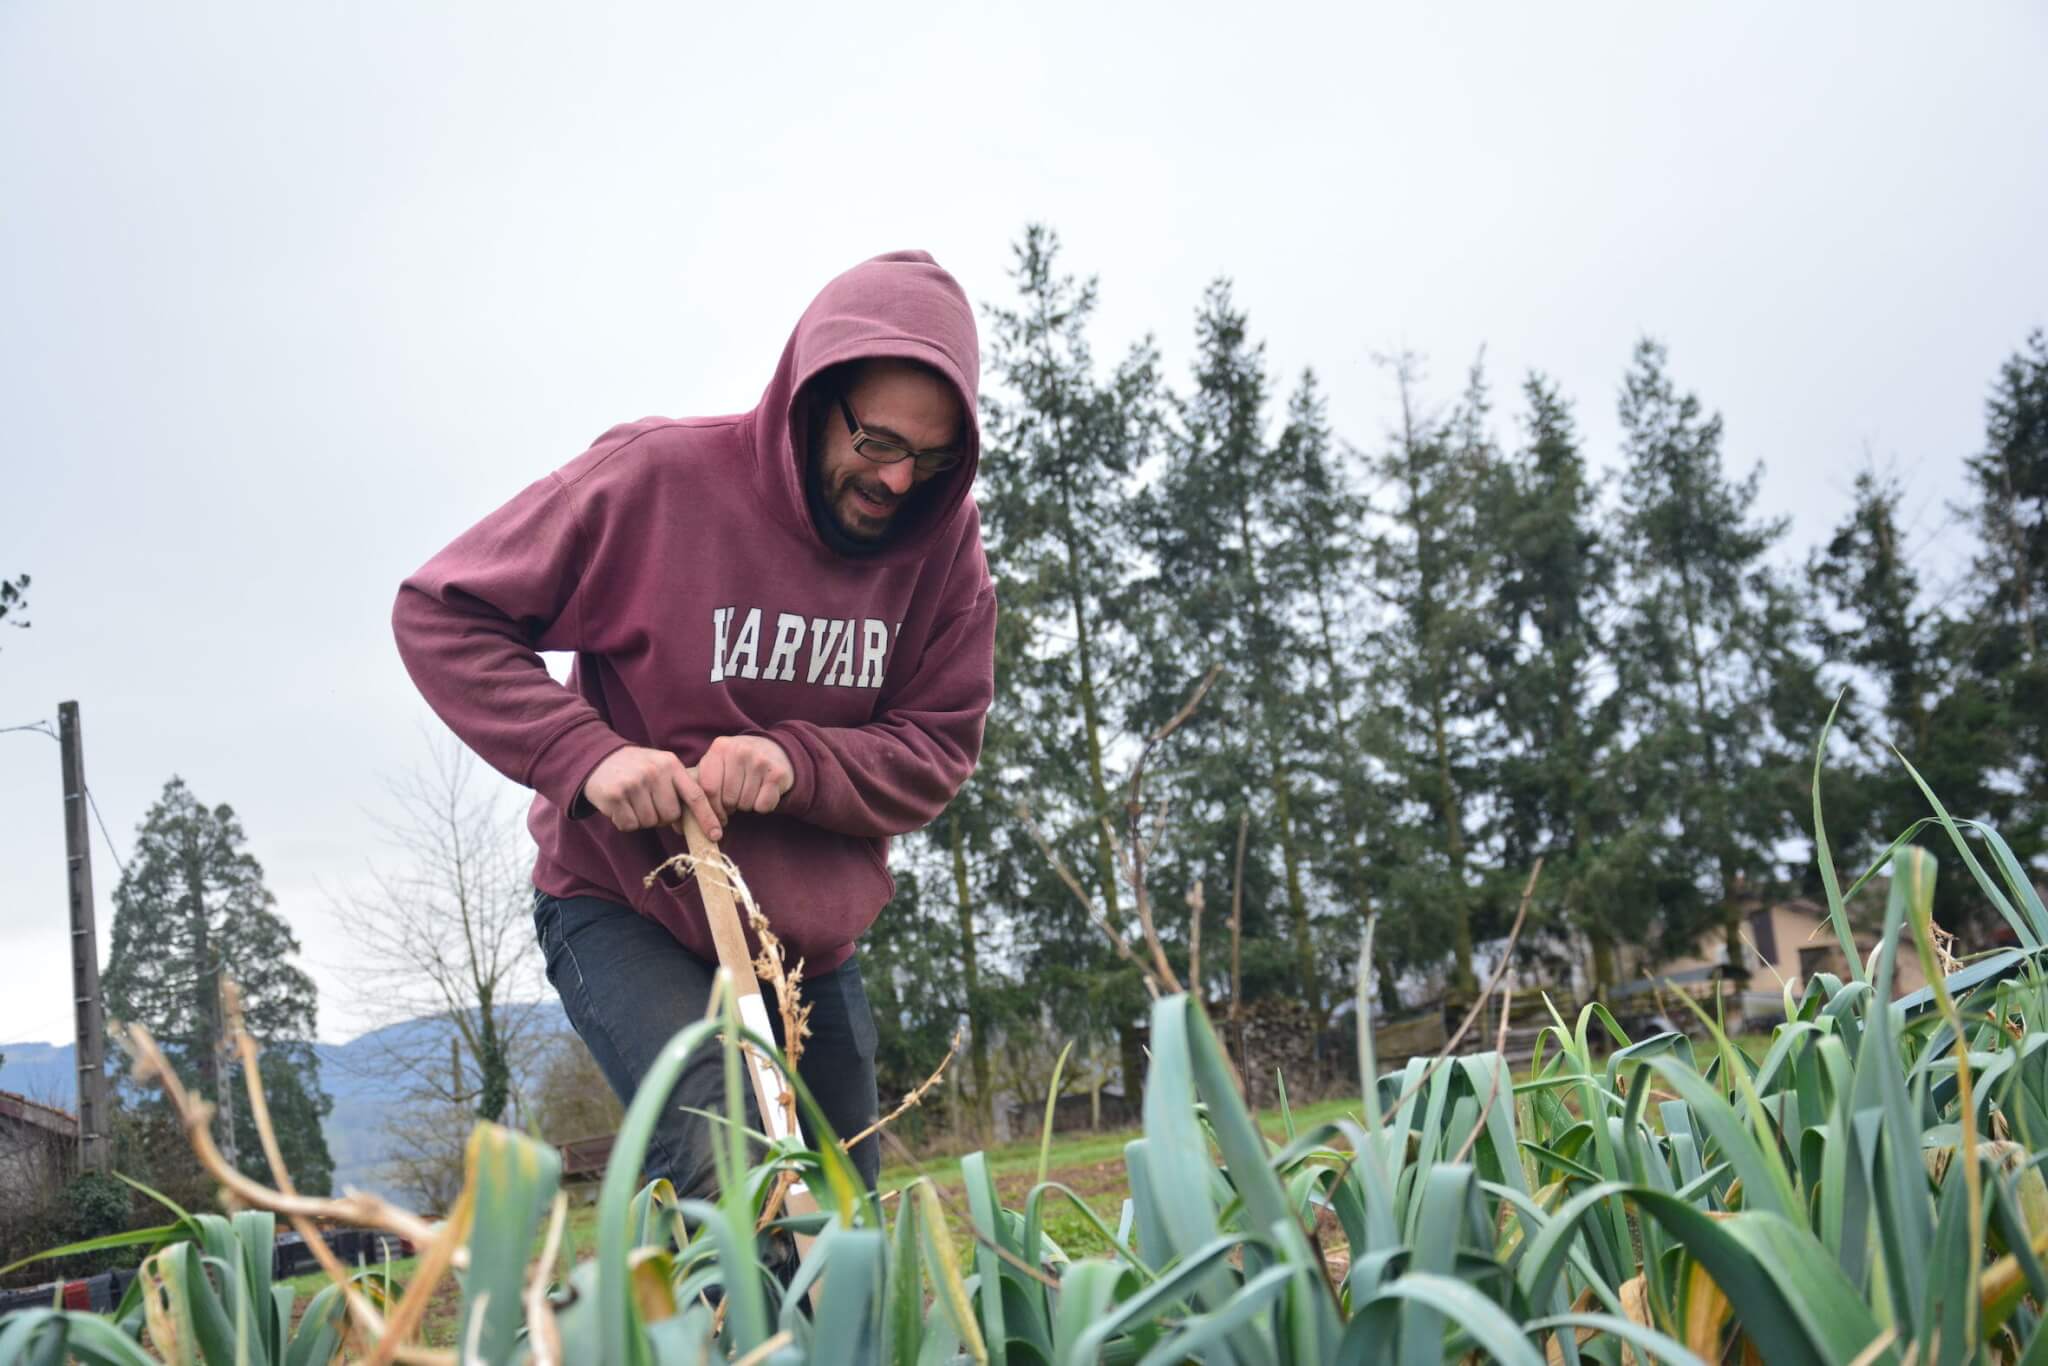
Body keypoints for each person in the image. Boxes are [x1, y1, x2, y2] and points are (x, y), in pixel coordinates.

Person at [391, 249, 996, 1202]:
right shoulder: (659, 481)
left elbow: (938, 748)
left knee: (846, 1221)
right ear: (812, 392)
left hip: (804, 944)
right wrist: (585, 756)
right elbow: (442, 611)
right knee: (741, 1180)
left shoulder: (943, 546)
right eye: (876, 444)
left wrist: (796, 762)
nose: (895, 481)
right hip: (628, 909)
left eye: (928, 461)